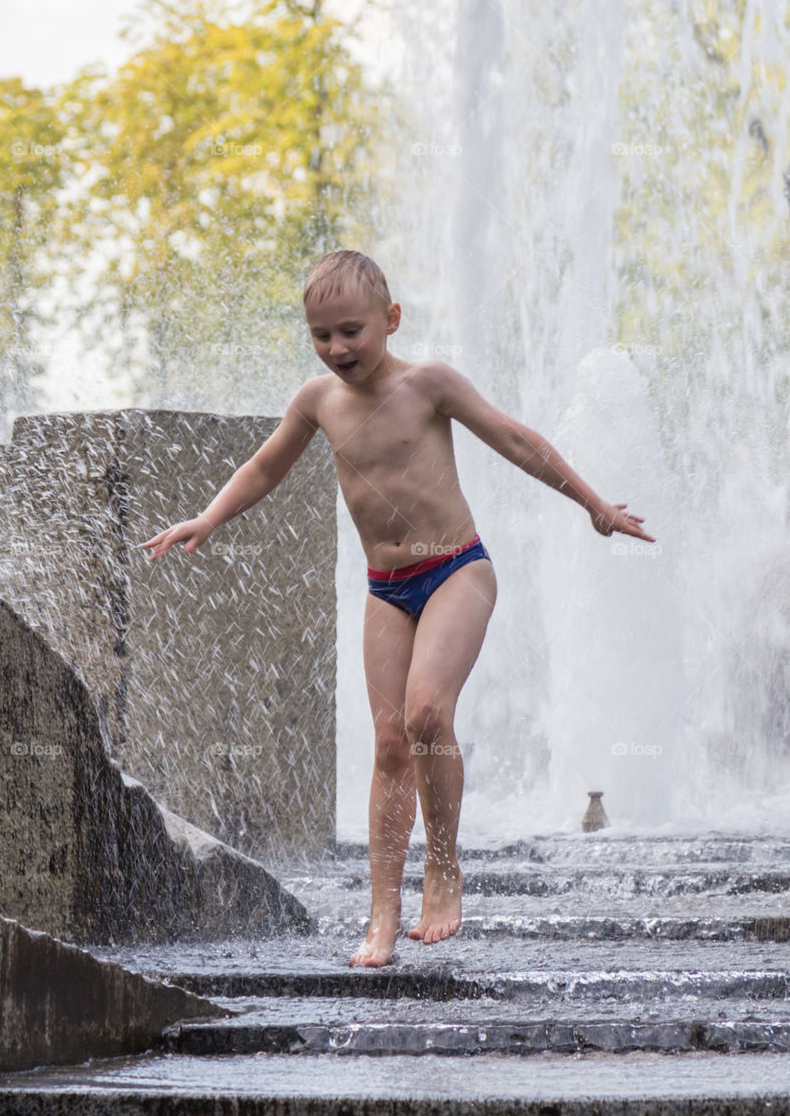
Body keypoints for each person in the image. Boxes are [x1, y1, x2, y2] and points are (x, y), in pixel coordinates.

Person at [140, 249, 656, 968]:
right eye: (320, 336)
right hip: (386, 590)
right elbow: (264, 466)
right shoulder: (316, 401)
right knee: (388, 744)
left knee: (424, 714)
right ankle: (381, 915)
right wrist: (207, 518)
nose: (336, 349)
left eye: (350, 330)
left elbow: (516, 440)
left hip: (457, 572)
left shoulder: (429, 384)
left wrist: (593, 504)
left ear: (390, 320)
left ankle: (442, 866)